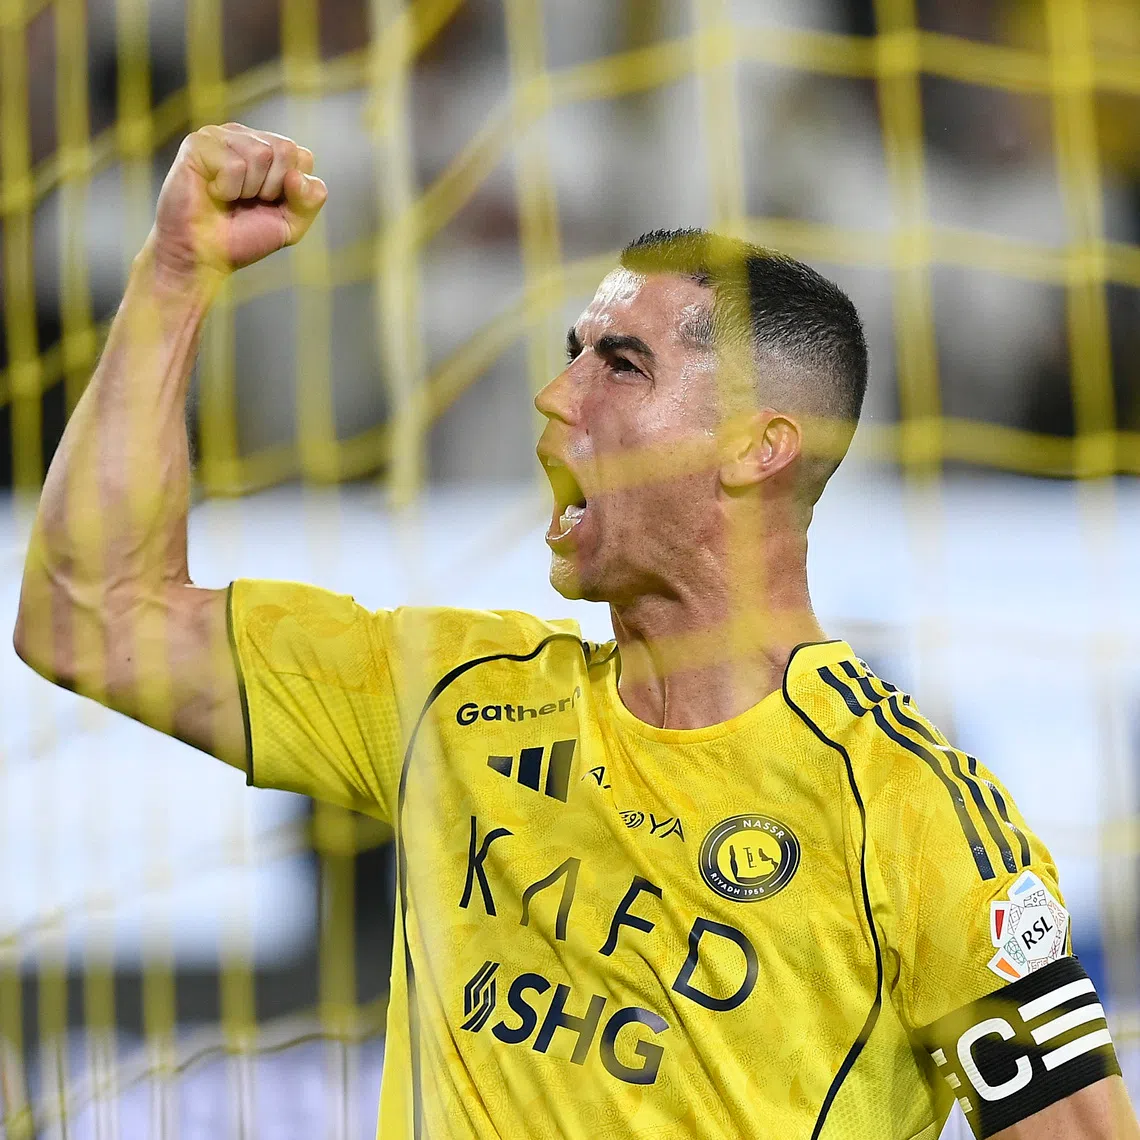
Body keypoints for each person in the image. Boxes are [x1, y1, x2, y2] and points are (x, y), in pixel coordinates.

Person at [12, 123, 1138, 1140]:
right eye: (569, 352)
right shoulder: (450, 696)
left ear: (759, 447)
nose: (555, 399)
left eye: (619, 363)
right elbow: (89, 617)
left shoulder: (909, 812)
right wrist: (173, 276)